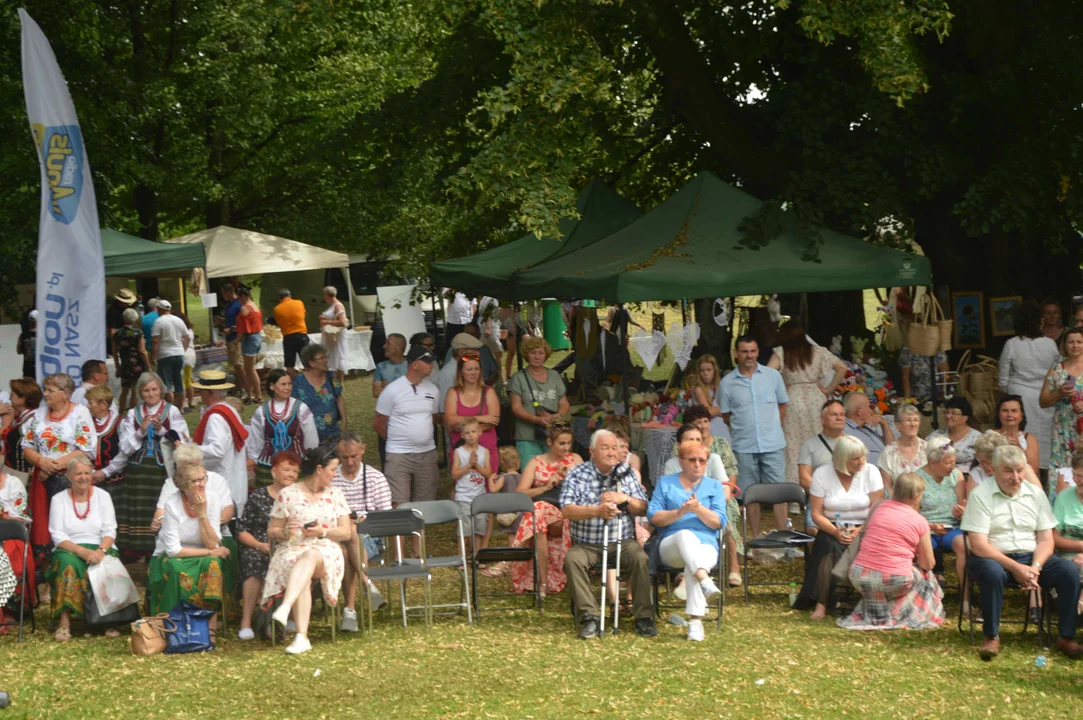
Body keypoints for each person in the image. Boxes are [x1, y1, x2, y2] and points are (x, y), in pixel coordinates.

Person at [960, 445, 1082, 660]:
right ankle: (991, 636)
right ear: (994, 470)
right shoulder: (981, 495)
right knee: (991, 572)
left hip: (1031, 557)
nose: (1016, 477)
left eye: (1020, 470)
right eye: (1008, 471)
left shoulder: (1035, 494)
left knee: (1068, 570)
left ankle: (1066, 636)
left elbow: (1046, 539)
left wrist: (1034, 568)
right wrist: (1016, 568)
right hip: (992, 557)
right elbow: (978, 544)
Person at [561, 429, 657, 639]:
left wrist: (626, 499)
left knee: (639, 557)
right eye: (605, 447)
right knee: (572, 559)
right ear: (592, 451)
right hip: (587, 544)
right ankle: (590, 617)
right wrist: (596, 510)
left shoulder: (627, 473)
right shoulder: (577, 474)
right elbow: (567, 510)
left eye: (615, 447)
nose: (612, 452)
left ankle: (644, 618)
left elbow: (643, 508)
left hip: (622, 541)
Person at [265, 446, 351, 655]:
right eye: (332, 470)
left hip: (326, 550)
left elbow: (346, 532)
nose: (335, 474)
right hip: (293, 549)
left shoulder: (335, 494)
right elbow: (272, 530)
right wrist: (284, 532)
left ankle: (286, 606)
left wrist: (322, 531)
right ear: (319, 469)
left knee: (311, 555)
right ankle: (301, 637)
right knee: (302, 566)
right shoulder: (288, 494)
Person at [837, 471, 944, 630]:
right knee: (926, 577)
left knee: (880, 581)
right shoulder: (920, 522)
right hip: (893, 579)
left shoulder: (877, 506)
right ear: (916, 496)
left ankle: (879, 615)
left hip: (858, 575)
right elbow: (928, 563)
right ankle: (906, 615)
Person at [794, 435, 885, 620]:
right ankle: (822, 603)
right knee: (828, 547)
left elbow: (878, 508)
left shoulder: (871, 471)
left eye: (863, 456)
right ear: (842, 459)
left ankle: (862, 600)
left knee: (864, 544)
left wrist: (860, 530)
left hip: (866, 525)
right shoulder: (822, 473)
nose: (861, 462)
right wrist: (836, 532)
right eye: (855, 458)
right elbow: (816, 514)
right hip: (832, 526)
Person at [649, 441, 728, 641]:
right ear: (681, 461)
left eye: (702, 460)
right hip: (671, 546)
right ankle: (704, 580)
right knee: (685, 535)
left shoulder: (714, 486)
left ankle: (695, 623)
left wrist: (698, 508)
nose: (697, 464)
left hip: (706, 546)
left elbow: (718, 522)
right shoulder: (666, 483)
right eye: (692, 460)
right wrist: (680, 512)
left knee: (694, 562)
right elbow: (654, 517)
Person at [147, 459, 231, 636]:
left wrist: (202, 514)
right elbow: (173, 551)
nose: (201, 484)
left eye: (203, 479)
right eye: (195, 481)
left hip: (203, 550)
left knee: (213, 564)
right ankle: (176, 624)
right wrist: (210, 552)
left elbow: (212, 542)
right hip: (176, 554)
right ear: (184, 485)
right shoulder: (172, 504)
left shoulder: (213, 498)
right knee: (177, 568)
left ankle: (210, 627)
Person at [21, 374, 98, 562]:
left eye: (49, 390)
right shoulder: (39, 415)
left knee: (68, 524)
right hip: (43, 479)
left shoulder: (80, 413)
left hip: (70, 479)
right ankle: (48, 575)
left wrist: (51, 466)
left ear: (65, 394)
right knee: (45, 526)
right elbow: (27, 447)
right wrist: (41, 463)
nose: (45, 394)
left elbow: (85, 450)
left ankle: (72, 566)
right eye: (45, 389)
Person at [719, 335, 789, 539]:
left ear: (758, 352)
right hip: (744, 446)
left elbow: (783, 405)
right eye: (744, 351)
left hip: (773, 443)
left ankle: (785, 538)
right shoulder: (727, 383)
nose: (749, 355)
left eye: (752, 351)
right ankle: (757, 537)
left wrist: (773, 427)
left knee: (780, 493)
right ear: (736, 354)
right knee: (750, 495)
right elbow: (726, 415)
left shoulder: (773, 376)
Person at [46, 456, 120, 641]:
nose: (84, 477)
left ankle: (108, 621)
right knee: (66, 563)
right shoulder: (58, 499)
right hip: (70, 548)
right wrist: (83, 552)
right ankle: (64, 622)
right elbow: (57, 535)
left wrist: (100, 551)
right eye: (79, 473)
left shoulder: (103, 496)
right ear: (69, 476)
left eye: (87, 473)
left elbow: (110, 529)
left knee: (107, 564)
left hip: (100, 545)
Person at [667, 407, 742, 585]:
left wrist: (710, 501)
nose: (702, 426)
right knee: (685, 520)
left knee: (724, 516)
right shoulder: (675, 460)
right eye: (697, 423)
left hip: (714, 503)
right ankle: (693, 571)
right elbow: (671, 491)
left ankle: (733, 566)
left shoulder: (714, 455)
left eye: (705, 421)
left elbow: (726, 482)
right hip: (685, 505)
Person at [117, 371, 189, 558]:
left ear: (161, 390)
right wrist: (140, 430)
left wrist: (162, 430)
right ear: (140, 393)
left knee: (160, 506)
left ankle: (159, 549)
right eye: (146, 390)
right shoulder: (133, 414)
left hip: (161, 471)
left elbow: (181, 440)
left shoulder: (172, 411)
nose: (151, 394)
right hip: (137, 472)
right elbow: (124, 447)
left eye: (154, 389)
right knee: (138, 510)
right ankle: (136, 549)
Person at [768, 320, 848, 485]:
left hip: (792, 400)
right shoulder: (818, 351)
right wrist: (828, 389)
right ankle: (823, 485)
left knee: (792, 446)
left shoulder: (782, 352)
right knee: (819, 442)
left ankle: (794, 493)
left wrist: (779, 390)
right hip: (816, 399)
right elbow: (842, 368)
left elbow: (767, 373)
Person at [509, 419, 582, 594]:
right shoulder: (536, 462)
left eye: (569, 443)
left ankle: (509, 559)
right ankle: (542, 582)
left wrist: (571, 477)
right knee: (539, 513)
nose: (566, 448)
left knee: (538, 510)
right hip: (541, 517)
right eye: (561, 443)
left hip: (566, 514)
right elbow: (519, 494)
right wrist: (545, 487)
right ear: (550, 442)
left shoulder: (576, 460)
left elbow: (588, 491)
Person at [331, 432, 391, 632]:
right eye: (345, 457)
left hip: (369, 536)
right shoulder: (330, 479)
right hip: (338, 537)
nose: (349, 462)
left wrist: (366, 521)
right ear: (338, 455)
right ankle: (367, 585)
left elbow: (385, 517)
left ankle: (350, 609)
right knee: (348, 540)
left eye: (354, 456)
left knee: (351, 540)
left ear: (363, 450)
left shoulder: (375, 478)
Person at [237, 450, 299, 640]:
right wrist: (259, 545)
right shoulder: (258, 497)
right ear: (273, 472)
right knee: (253, 560)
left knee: (297, 561)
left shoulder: (299, 497)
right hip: (260, 547)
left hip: (290, 547)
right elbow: (242, 530)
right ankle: (246, 621)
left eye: (295, 471)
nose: (291, 475)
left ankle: (291, 617)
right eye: (286, 469)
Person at [374, 344, 440, 506]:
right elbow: (378, 423)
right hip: (398, 455)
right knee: (399, 501)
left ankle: (420, 532)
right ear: (415, 364)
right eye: (428, 362)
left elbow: (433, 417)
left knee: (426, 502)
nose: (431, 366)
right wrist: (397, 441)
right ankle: (401, 532)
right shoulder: (392, 390)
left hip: (427, 453)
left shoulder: (433, 390)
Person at [999, 302, 1059, 471]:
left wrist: (1007, 389)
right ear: (1039, 321)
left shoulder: (1012, 343)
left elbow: (1003, 376)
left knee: (1024, 430)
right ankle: (1046, 468)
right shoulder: (1050, 344)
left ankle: (1023, 466)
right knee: (1046, 433)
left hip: (1020, 394)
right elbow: (1057, 371)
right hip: (1045, 394)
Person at [245, 369, 319, 488]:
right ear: (272, 386)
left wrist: (309, 457)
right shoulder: (262, 411)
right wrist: (253, 459)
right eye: (283, 384)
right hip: (268, 465)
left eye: (289, 384)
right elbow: (256, 441)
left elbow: (311, 438)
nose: (288, 387)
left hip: (295, 465)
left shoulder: (301, 408)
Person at [191, 370, 250, 517]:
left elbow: (217, 450)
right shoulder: (229, 409)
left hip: (222, 482)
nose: (200, 394)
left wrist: (190, 449)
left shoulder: (216, 417)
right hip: (234, 479)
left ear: (210, 393)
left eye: (202, 391)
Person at [914, 437, 967, 595]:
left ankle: (965, 597)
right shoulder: (917, 479)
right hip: (925, 528)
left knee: (964, 545)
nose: (952, 466)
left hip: (951, 527)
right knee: (923, 546)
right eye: (948, 463)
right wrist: (930, 527)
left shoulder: (956, 476)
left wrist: (961, 512)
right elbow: (912, 514)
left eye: (954, 462)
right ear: (932, 462)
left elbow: (961, 503)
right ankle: (923, 596)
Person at [508, 337, 571, 470]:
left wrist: (556, 417)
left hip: (552, 435)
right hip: (527, 437)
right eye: (533, 353)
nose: (537, 356)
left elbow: (564, 403)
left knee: (554, 473)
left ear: (546, 355)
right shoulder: (518, 378)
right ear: (526, 355)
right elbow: (516, 407)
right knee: (530, 475)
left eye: (540, 353)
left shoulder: (554, 375)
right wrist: (536, 420)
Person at [1040, 326, 1083, 488]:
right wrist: (1059, 393)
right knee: (1063, 466)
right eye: (1071, 342)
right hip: (1063, 430)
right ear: (1064, 345)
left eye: (1079, 341)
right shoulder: (1057, 370)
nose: (1075, 345)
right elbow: (1042, 401)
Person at [445, 349, 500, 464]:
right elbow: (450, 420)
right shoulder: (453, 392)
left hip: (486, 448)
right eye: (469, 369)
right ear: (461, 372)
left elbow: (493, 420)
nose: (473, 373)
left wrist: (464, 428)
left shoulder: (488, 391)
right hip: (461, 450)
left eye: (476, 369)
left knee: (489, 481)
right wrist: (481, 419)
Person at [451, 418, 494, 560]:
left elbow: (489, 474)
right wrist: (469, 465)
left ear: (480, 432)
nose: (471, 435)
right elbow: (454, 475)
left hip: (479, 496)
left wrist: (476, 465)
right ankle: (461, 557)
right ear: (462, 435)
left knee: (480, 526)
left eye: (473, 432)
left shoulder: (485, 452)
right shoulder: (459, 452)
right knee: (464, 529)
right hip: (463, 497)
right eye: (467, 433)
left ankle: (477, 555)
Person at [0, 462, 36, 625]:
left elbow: (20, 521)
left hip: (9, 536)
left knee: (12, 554)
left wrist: (2, 516)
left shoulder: (13, 484)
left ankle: (9, 610)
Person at [292, 343, 346, 446]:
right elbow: (294, 407)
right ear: (311, 363)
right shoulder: (299, 382)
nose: (326, 360)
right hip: (309, 437)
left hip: (333, 434)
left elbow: (339, 398)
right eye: (322, 358)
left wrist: (343, 424)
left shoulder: (330, 377)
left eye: (326, 357)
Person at [85, 385, 127, 498]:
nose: (87, 406)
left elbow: (124, 453)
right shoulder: (86, 423)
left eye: (90, 402)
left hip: (113, 484)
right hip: (90, 481)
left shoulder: (120, 424)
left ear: (103, 405)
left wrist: (105, 472)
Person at [878, 404, 927, 495]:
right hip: (898, 504)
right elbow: (886, 487)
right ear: (898, 425)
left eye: (916, 420)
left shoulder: (928, 449)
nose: (913, 424)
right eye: (908, 420)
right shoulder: (889, 452)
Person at [150, 300, 190, 408]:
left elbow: (155, 341)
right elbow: (187, 337)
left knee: (166, 384)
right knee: (178, 382)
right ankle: (180, 408)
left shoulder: (159, 321)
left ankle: (169, 408)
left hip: (165, 354)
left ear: (160, 309)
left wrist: (152, 357)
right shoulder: (179, 320)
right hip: (179, 353)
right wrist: (183, 349)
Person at [926, 396, 982, 470]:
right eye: (947, 412)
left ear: (965, 418)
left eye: (953, 413)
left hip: (968, 477)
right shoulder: (936, 436)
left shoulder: (977, 438)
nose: (948, 416)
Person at [1, 379, 41, 482]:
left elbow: (39, 446)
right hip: (12, 471)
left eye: (13, 394)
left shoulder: (33, 420)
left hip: (23, 475)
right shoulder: (22, 418)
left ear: (23, 399)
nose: (10, 397)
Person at [991, 395, 1040, 478]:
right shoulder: (990, 435)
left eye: (1014, 411)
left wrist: (1018, 447)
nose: (1009, 414)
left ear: (1021, 415)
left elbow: (1034, 468)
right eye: (1005, 410)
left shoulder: (1029, 438)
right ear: (999, 414)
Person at [842, 391, 894, 466]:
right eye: (869, 407)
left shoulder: (866, 428)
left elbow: (892, 448)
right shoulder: (845, 432)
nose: (871, 411)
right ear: (860, 411)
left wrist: (884, 423)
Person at [437, 332, 484, 415]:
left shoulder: (472, 368)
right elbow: (444, 410)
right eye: (474, 350)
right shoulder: (447, 373)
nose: (478, 353)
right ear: (461, 352)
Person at [113, 307, 149, 411]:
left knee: (124, 391)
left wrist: (117, 367)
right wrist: (148, 365)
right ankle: (132, 413)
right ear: (134, 318)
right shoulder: (138, 333)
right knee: (134, 391)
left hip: (124, 365)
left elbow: (115, 353)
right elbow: (142, 351)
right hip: (137, 364)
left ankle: (120, 413)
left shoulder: (117, 334)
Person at [691, 354, 732, 444]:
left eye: (709, 370)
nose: (705, 374)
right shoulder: (699, 389)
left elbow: (730, 410)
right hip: (707, 429)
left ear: (714, 371)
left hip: (722, 428)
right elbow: (708, 412)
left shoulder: (720, 386)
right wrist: (723, 410)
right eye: (702, 370)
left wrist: (717, 410)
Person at [235, 286, 264, 405]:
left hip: (249, 338)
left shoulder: (245, 309)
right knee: (249, 369)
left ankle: (258, 395)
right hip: (257, 337)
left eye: (239, 298)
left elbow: (243, 329)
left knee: (250, 369)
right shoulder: (254, 305)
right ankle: (250, 394)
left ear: (243, 297)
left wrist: (236, 341)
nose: (238, 300)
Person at [274, 288, 309, 375]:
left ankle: (294, 383)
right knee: (307, 361)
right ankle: (310, 382)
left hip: (288, 337)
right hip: (301, 334)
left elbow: (279, 323)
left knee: (289, 365)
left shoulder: (277, 309)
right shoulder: (299, 303)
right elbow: (303, 316)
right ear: (290, 296)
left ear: (280, 298)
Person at [319, 285, 349, 384]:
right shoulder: (333, 306)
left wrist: (327, 322)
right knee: (331, 358)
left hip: (336, 338)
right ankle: (333, 382)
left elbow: (342, 322)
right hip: (330, 338)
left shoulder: (337, 305)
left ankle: (339, 383)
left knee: (337, 358)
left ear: (327, 295)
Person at [372, 333, 407, 399]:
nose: (384, 346)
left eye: (388, 343)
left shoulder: (411, 366)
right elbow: (376, 392)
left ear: (398, 347)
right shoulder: (381, 367)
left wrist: (389, 386)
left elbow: (416, 390)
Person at [219, 283, 243, 379]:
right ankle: (239, 387)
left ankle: (245, 388)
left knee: (239, 365)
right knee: (234, 365)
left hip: (237, 339)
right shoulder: (228, 306)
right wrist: (222, 320)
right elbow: (230, 320)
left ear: (229, 293)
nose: (222, 295)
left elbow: (242, 324)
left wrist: (232, 329)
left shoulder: (239, 304)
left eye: (223, 293)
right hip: (229, 339)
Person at [16, 311, 36, 380]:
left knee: (28, 389)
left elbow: (18, 351)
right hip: (43, 368)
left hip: (28, 369)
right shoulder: (45, 336)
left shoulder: (23, 336)